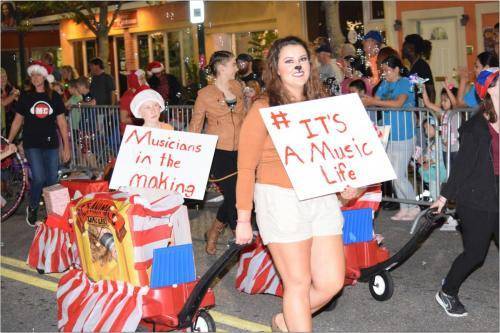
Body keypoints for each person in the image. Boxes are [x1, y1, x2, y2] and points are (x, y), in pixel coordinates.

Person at [235, 36, 361, 332]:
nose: (297, 66)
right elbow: (245, 167)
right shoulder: (262, 108)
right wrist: (243, 218)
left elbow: (335, 157)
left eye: (302, 59)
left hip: (321, 199)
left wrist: (349, 186)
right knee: (298, 282)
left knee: (331, 282)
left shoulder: (322, 106)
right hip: (279, 200)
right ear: (276, 69)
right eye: (289, 61)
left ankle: (285, 321)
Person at [431, 68, 499, 317]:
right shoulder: (476, 129)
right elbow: (461, 167)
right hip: (476, 197)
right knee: (475, 254)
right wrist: (444, 196)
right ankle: (447, 291)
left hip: (498, 191)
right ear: (490, 89)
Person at [189, 51, 246, 255]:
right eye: (233, 64)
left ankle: (213, 231)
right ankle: (241, 243)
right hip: (218, 153)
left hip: (242, 150)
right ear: (221, 68)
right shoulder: (204, 94)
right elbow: (196, 125)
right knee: (235, 197)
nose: (236, 68)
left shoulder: (237, 87)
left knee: (237, 196)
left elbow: (245, 118)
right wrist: (190, 154)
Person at [6, 60, 71, 225]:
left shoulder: (54, 96)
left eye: (38, 74)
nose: (35, 78)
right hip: (31, 143)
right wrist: (9, 141)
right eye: (32, 75)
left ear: (45, 76)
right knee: (40, 178)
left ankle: (54, 215)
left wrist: (66, 147)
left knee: (52, 180)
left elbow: (62, 123)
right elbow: (17, 121)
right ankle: (33, 206)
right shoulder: (26, 97)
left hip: (51, 144)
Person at [361, 55, 420, 221]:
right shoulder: (385, 84)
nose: (385, 73)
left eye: (387, 70)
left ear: (396, 69)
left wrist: (373, 101)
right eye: (383, 70)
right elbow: (377, 100)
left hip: (404, 133)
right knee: (394, 174)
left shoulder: (405, 82)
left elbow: (398, 103)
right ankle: (404, 207)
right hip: (389, 134)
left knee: (399, 174)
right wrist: (368, 100)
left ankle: (413, 206)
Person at [422, 81, 460, 170]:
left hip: (456, 150)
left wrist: (447, 89)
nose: (442, 103)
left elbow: (455, 103)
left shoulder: (455, 112)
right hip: (445, 150)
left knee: (456, 174)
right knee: (449, 174)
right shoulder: (443, 112)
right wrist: (423, 89)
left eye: (445, 100)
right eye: (442, 100)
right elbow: (427, 103)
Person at [417, 116, 446, 201]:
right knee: (433, 188)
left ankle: (438, 207)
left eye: (428, 128)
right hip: (434, 168)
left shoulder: (440, 140)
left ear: (436, 127)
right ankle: (438, 206)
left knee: (434, 189)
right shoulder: (431, 141)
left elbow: (440, 156)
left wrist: (429, 163)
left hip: (440, 168)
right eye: (425, 129)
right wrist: (424, 158)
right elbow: (429, 154)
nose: (426, 131)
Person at [402, 34, 436, 105]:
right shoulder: (412, 65)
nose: (402, 49)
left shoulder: (422, 66)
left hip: (421, 110)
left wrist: (428, 112)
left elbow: (431, 91)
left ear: (411, 48)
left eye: (405, 45)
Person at [119, 69, 148, 135]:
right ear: (134, 80)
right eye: (141, 78)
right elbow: (123, 119)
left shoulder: (142, 93)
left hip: (139, 131)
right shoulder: (128, 96)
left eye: (144, 78)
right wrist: (142, 119)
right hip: (129, 133)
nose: (144, 81)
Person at [1, 67, 20, 137]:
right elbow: (3, 103)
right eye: (0, 77)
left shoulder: (10, 88)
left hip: (12, 122)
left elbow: (21, 102)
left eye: (5, 76)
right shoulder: (13, 91)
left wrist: (17, 95)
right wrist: (14, 95)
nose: (3, 79)